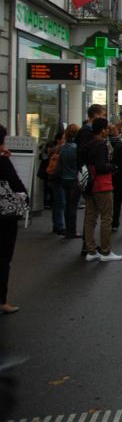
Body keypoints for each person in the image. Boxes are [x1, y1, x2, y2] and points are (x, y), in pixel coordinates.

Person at [79, 117, 122, 261]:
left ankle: (91, 250)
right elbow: (101, 166)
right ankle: (106, 251)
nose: (107, 132)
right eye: (107, 130)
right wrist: (114, 167)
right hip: (102, 184)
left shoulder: (87, 144)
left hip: (89, 184)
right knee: (106, 218)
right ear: (103, 130)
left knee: (90, 218)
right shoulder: (100, 145)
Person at [0, 124, 26, 314]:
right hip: (4, 215)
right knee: (3, 256)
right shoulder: (3, 161)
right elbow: (16, 185)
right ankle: (2, 301)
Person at [57, 125, 81, 238]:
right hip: (74, 179)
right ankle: (72, 230)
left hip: (64, 179)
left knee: (67, 205)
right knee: (73, 206)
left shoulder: (63, 147)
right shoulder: (76, 148)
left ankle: (68, 229)